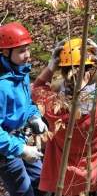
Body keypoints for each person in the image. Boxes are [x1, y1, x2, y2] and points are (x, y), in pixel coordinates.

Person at [32, 38, 97, 195]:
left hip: (71, 183)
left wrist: (50, 67)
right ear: (92, 70)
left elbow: (38, 87)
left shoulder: (52, 106)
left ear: (62, 71)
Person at [0, 23, 48, 196]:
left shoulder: (21, 71)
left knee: (43, 186)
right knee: (24, 193)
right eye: (21, 51)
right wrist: (21, 151)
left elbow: (25, 104)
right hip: (7, 150)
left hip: (21, 138)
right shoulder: (2, 86)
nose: (27, 55)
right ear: (6, 52)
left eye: (28, 49)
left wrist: (34, 117)